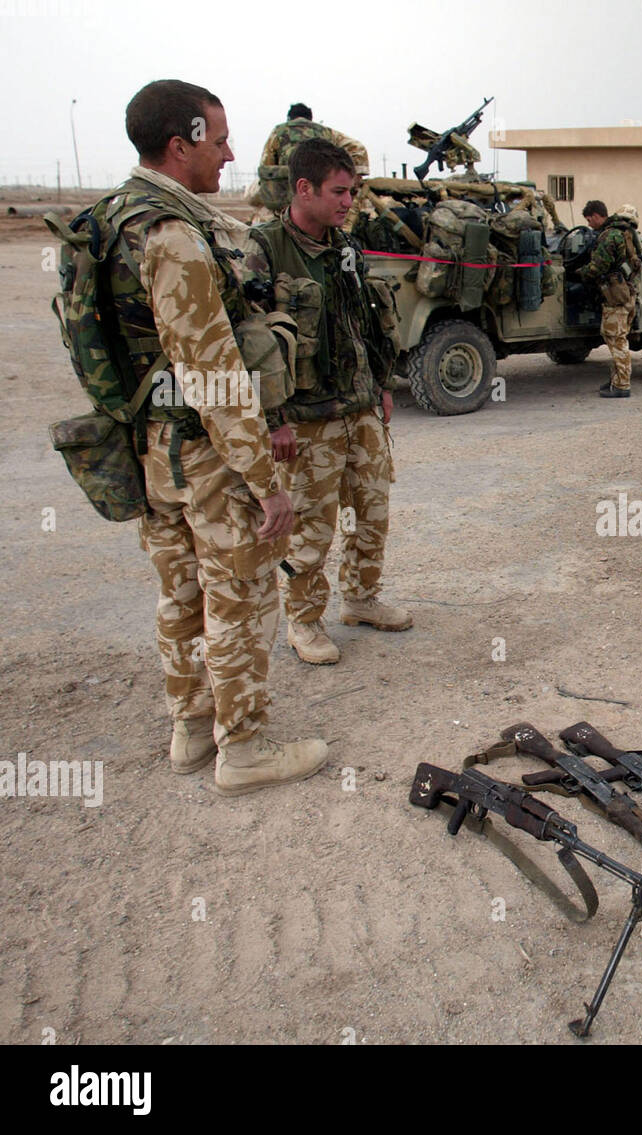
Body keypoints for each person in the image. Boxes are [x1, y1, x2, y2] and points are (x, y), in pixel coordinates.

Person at [114, 79, 326, 794]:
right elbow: (213, 372)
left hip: (154, 449)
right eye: (220, 138)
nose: (231, 153)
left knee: (179, 593)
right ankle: (243, 750)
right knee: (236, 595)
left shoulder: (115, 218)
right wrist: (263, 481)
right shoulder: (173, 235)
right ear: (183, 145)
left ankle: (191, 729)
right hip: (206, 453)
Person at [244, 138, 410, 665]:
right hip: (306, 418)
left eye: (353, 191)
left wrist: (380, 385)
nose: (348, 201)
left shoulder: (347, 246)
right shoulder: (265, 248)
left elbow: (367, 324)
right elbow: (252, 341)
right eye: (339, 192)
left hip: (359, 408)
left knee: (373, 512)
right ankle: (304, 620)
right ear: (303, 188)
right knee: (311, 527)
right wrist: (272, 421)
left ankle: (361, 599)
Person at [250, 103, 369, 226]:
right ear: (310, 118)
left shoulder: (279, 131)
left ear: (289, 118)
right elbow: (358, 147)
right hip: (319, 189)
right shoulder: (325, 131)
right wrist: (354, 175)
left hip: (286, 193)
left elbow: (266, 167)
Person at [577, 200, 641, 398]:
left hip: (615, 297)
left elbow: (597, 267)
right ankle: (617, 379)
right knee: (617, 339)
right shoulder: (628, 234)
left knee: (616, 340)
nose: (589, 224)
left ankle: (622, 385)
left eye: (589, 220)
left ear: (597, 216)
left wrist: (579, 273)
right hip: (628, 294)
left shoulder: (610, 235)